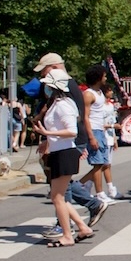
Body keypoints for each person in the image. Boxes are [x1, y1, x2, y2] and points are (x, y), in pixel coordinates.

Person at [33, 69, 94, 248]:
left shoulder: (63, 105)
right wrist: (47, 140)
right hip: (60, 152)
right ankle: (82, 226)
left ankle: (67, 234)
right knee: (59, 197)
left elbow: (71, 131)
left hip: (65, 153)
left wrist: (47, 133)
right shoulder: (57, 104)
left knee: (57, 197)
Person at [78, 65, 113, 205]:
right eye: (104, 76)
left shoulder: (99, 93)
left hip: (101, 130)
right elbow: (85, 117)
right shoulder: (88, 94)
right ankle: (99, 193)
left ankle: (81, 184)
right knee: (97, 163)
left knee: (103, 163)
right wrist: (91, 136)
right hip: (93, 130)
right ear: (98, 77)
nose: (105, 78)